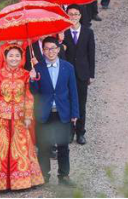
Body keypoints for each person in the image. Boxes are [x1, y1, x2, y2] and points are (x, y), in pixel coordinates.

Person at [0, 45, 44, 191]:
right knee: (1, 148)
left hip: (20, 118)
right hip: (2, 118)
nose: (14, 58)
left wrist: (29, 116)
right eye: (11, 55)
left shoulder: (26, 75)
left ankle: (22, 182)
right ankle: (0, 184)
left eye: (17, 55)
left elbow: (29, 97)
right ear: (5, 57)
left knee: (21, 148)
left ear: (21, 58)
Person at [30, 37, 79, 187]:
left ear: (58, 49)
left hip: (62, 112)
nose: (50, 51)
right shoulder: (38, 69)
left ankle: (63, 176)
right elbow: (35, 92)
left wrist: (74, 113)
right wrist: (32, 80)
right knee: (44, 146)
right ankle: (43, 175)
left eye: (53, 48)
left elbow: (73, 92)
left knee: (63, 146)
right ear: (42, 51)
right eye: (46, 49)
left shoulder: (68, 67)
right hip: (44, 113)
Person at [62, 5, 95, 145]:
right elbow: (60, 54)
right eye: (70, 14)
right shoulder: (63, 33)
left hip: (82, 74)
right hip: (67, 74)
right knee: (68, 102)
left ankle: (80, 132)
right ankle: (69, 131)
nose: (73, 17)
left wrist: (91, 74)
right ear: (67, 15)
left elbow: (91, 54)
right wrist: (60, 41)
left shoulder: (88, 32)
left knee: (81, 103)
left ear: (80, 16)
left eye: (76, 14)